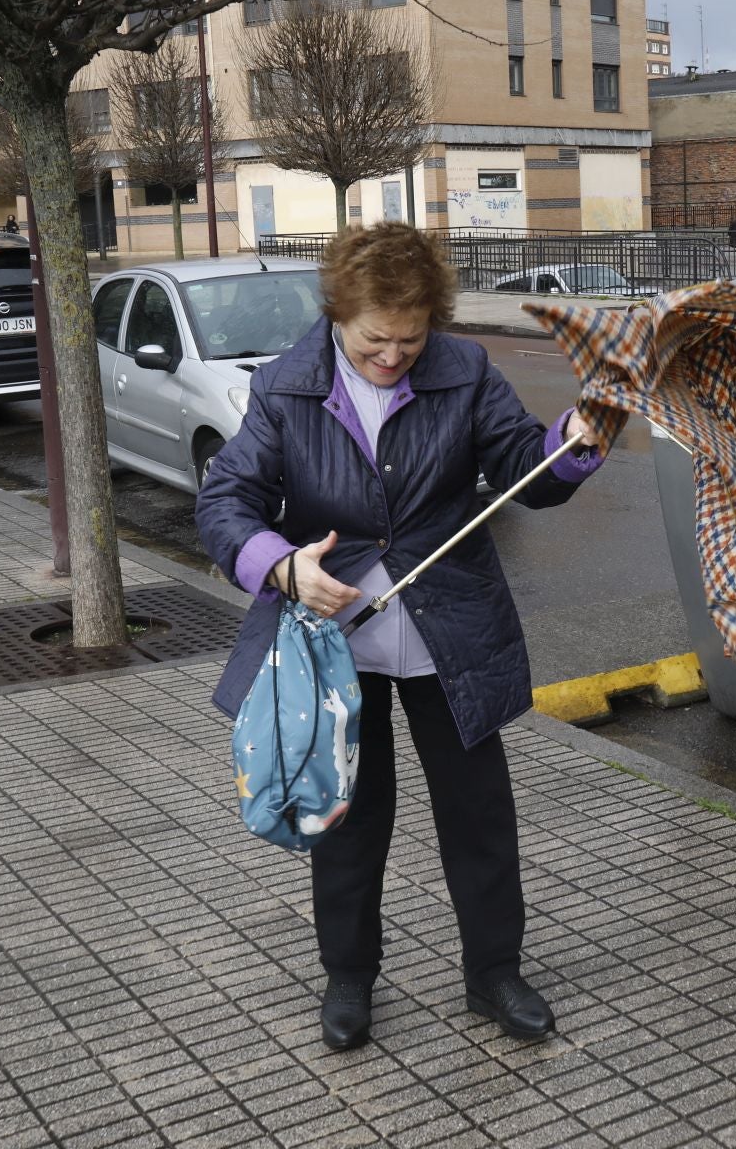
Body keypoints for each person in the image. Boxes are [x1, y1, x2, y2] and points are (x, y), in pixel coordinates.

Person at [196, 222, 603, 1053]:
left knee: (479, 815)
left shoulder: (466, 370)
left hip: (449, 635)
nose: (393, 356)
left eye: (411, 340)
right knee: (348, 819)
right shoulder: (286, 387)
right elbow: (225, 501)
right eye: (376, 339)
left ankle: (495, 973)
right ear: (340, 315)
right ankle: (349, 978)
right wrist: (281, 568)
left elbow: (530, 469)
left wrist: (572, 447)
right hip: (335, 646)